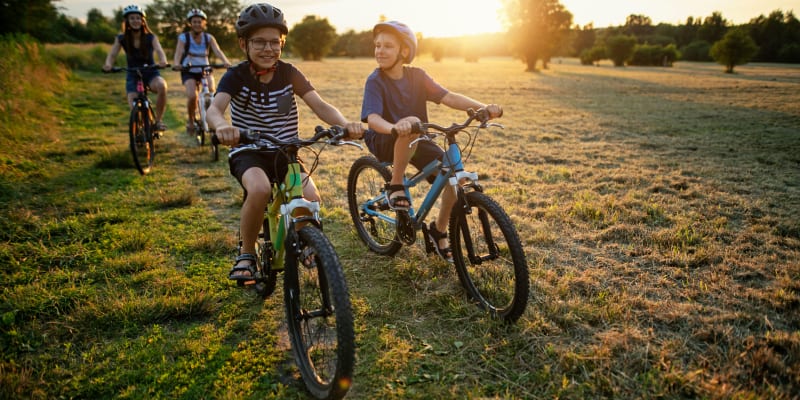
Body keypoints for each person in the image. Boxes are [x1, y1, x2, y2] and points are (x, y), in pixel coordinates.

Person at [207, 3, 364, 283]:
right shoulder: (236, 75)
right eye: (259, 42)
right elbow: (214, 110)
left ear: (282, 43)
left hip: (286, 151)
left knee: (312, 199)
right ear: (244, 43)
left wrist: (343, 124)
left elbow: (320, 105)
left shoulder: (289, 72)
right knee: (259, 189)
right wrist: (222, 127)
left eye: (274, 42)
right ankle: (247, 253)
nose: (268, 49)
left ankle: (304, 242)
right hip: (249, 151)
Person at [361, 21, 503, 263]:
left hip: (417, 138)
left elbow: (448, 96)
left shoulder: (417, 76)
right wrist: (395, 128)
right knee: (413, 125)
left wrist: (482, 108)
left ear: (404, 51)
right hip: (385, 138)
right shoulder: (375, 80)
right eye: (377, 46)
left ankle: (438, 230)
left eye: (387, 46)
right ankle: (395, 185)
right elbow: (372, 118)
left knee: (453, 178)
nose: (379, 51)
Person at [103, 4, 169, 131]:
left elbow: (159, 51)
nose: (135, 21)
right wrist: (108, 65)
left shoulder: (151, 37)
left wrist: (163, 61)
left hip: (151, 72)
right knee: (134, 106)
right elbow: (112, 54)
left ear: (143, 21)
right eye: (132, 18)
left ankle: (158, 121)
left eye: (138, 18)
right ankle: (140, 130)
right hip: (133, 74)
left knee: (162, 86)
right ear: (127, 21)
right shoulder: (121, 38)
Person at [173, 8, 232, 135]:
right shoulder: (184, 37)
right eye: (194, 22)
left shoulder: (208, 37)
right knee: (192, 96)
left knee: (212, 92)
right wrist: (177, 64)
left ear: (204, 23)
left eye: (199, 22)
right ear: (190, 23)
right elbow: (178, 53)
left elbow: (218, 51)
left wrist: (225, 61)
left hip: (205, 69)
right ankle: (190, 121)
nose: (197, 24)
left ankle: (214, 118)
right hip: (189, 70)